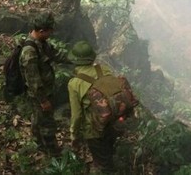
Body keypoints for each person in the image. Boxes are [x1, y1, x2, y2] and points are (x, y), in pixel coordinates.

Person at [19, 12, 71, 154]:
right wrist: (43, 100)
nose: (51, 33)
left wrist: (77, 59)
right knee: (47, 124)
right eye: (49, 31)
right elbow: (33, 80)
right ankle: (53, 152)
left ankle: (39, 143)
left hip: (45, 91)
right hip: (40, 95)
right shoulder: (29, 52)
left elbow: (56, 55)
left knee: (38, 119)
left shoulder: (41, 43)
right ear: (41, 31)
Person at [67, 41, 118, 174]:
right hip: (113, 120)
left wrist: (74, 135)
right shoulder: (104, 69)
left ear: (75, 61)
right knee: (109, 151)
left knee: (103, 163)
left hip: (94, 129)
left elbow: (77, 115)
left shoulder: (74, 83)